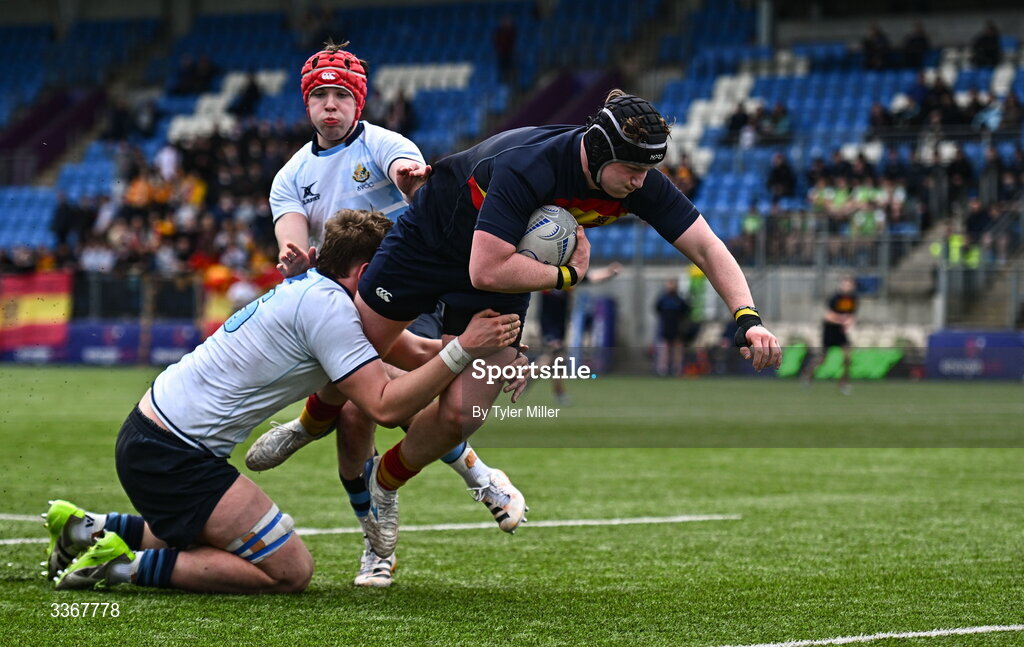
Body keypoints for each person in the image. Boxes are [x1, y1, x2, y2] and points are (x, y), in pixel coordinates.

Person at [343, 89, 782, 559]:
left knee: (461, 416)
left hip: (499, 267)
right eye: (633, 171)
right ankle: (308, 424)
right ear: (597, 152)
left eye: (646, 171)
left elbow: (707, 247)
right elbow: (485, 268)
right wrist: (569, 275)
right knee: (353, 355)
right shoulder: (532, 164)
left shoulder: (637, 178)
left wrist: (748, 317)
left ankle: (383, 484)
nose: (640, 183)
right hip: (432, 242)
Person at [44, 209, 521, 593]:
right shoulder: (330, 312)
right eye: (397, 270)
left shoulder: (320, 293)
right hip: (175, 455)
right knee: (290, 571)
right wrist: (463, 349)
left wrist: (495, 358)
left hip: (155, 436)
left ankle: (88, 528)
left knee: (196, 529)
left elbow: (418, 352)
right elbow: (385, 406)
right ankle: (121, 567)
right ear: (367, 272)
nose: (405, 281)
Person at [248, 42, 526, 588]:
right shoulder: (291, 174)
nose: (331, 105)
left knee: (369, 410)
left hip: (404, 295)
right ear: (307, 104)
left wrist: (409, 179)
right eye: (320, 96)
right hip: (332, 302)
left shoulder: (384, 143)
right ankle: (394, 526)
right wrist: (291, 253)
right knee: (368, 414)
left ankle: (312, 429)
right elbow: (290, 230)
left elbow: (406, 169)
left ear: (358, 103)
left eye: (340, 96)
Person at [536, 262, 622, 404]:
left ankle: (544, 386)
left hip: (561, 325)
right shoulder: (547, 276)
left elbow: (591, 278)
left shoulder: (568, 277)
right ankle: (529, 379)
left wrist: (609, 272)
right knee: (556, 358)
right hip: (549, 325)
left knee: (555, 360)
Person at [802, 275, 857, 394]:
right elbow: (827, 316)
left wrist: (848, 322)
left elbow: (851, 315)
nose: (847, 287)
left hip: (841, 332)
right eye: (845, 284)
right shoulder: (835, 298)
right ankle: (808, 374)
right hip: (830, 331)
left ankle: (844, 383)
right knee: (822, 359)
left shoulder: (853, 299)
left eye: (849, 284)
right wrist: (841, 320)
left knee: (848, 357)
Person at [653, 278, 691, 377]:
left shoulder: (679, 300)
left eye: (672, 284)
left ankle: (676, 369)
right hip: (665, 327)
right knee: (664, 349)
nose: (670, 286)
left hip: (677, 328)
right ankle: (662, 369)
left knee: (677, 348)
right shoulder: (663, 299)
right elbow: (657, 309)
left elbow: (686, 311)